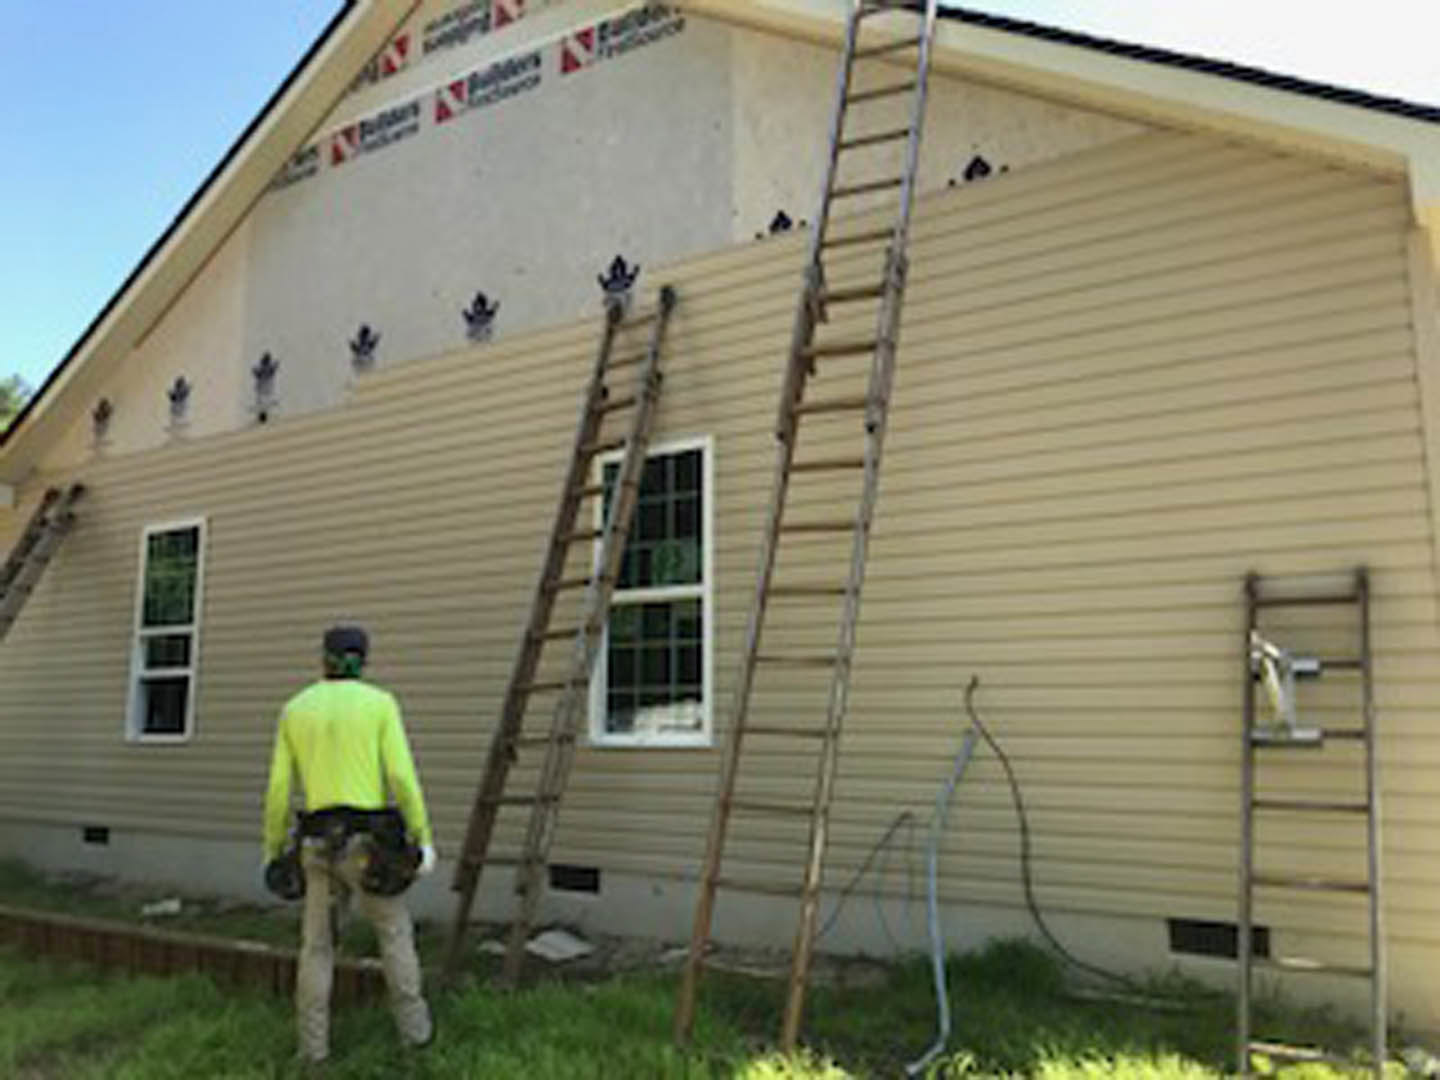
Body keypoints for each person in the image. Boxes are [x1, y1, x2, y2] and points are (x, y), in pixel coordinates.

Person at [262, 624, 438, 1065]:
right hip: (369, 848)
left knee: (317, 947)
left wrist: (272, 849)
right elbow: (401, 778)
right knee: (395, 935)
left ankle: (312, 1052)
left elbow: (279, 790)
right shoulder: (379, 704)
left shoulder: (295, 709)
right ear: (365, 660)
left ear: (322, 658)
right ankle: (415, 1041)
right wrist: (423, 837)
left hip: (317, 844)